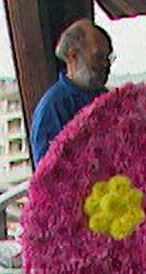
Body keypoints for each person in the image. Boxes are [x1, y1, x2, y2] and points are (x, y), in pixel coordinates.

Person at [30, 18, 113, 164]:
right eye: (98, 57)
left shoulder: (107, 98)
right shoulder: (52, 107)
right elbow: (47, 174)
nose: (106, 65)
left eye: (108, 58)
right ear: (73, 56)